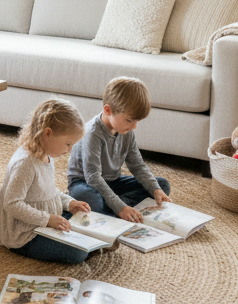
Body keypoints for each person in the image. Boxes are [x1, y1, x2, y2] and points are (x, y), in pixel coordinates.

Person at [0, 98, 103, 264]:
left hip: (44, 218)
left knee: (83, 216)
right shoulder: (26, 164)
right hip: (26, 234)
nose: (69, 150)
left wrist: (69, 203)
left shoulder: (46, 154)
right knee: (78, 253)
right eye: (68, 144)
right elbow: (12, 203)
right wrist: (48, 219)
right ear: (48, 133)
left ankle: (94, 241)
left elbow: (48, 192)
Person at [67, 77, 172, 222]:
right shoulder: (92, 134)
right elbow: (93, 178)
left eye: (137, 121)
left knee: (162, 185)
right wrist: (120, 207)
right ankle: (118, 208)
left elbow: (138, 165)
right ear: (108, 110)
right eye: (129, 120)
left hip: (113, 181)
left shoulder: (127, 132)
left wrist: (155, 189)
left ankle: (112, 208)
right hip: (85, 182)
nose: (134, 126)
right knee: (90, 198)